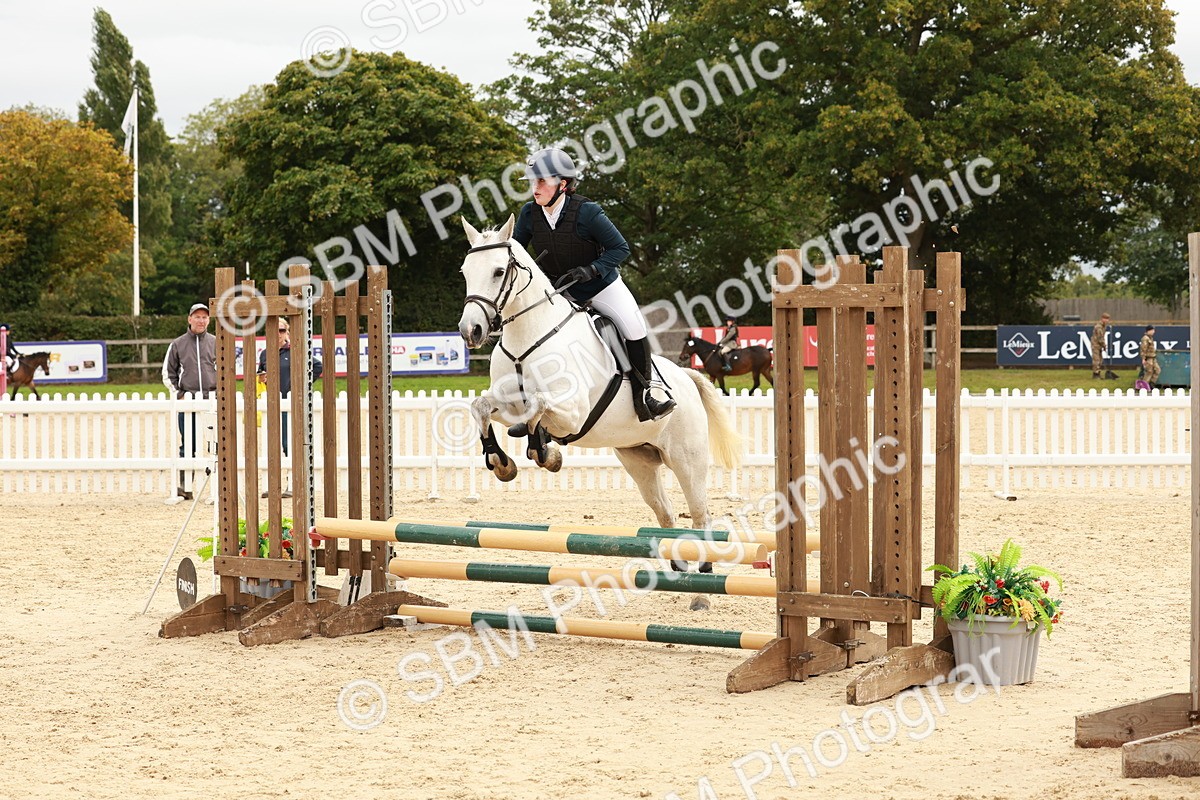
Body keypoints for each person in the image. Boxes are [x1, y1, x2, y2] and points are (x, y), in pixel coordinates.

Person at [512, 147, 675, 422]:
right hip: (559, 292)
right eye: (532, 181)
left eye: (541, 181)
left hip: (601, 288)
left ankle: (646, 393)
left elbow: (620, 248)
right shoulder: (529, 214)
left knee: (634, 326)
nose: (534, 187)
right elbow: (516, 252)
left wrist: (592, 269)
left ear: (562, 184)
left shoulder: (587, 212)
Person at [256, 317, 322, 498]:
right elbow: (261, 373)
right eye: (274, 330)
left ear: (287, 332)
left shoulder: (296, 350)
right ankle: (274, 484)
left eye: (281, 330)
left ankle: (292, 484)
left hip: (290, 404)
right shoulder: (264, 354)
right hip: (271, 404)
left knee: (288, 443)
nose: (278, 334)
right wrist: (262, 378)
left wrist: (301, 385)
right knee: (273, 445)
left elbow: (317, 366)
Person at [162, 303, 217, 500]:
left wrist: (219, 394)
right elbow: (168, 374)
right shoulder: (177, 344)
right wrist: (179, 394)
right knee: (189, 444)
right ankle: (185, 486)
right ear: (189, 319)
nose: (201, 320)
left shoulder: (216, 342)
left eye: (205, 317)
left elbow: (223, 370)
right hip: (189, 401)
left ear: (209, 320)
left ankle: (217, 488)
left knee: (215, 444)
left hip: (211, 401)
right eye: (197, 317)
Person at [1140, 324, 1160, 389]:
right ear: (1148, 331)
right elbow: (1143, 349)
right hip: (1148, 358)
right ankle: (1144, 386)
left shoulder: (1150, 338)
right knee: (1149, 372)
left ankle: (1152, 383)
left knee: (1157, 370)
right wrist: (1143, 359)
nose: (1153, 331)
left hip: (1153, 357)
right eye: (1152, 330)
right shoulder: (1145, 338)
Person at [1091, 313, 1110, 378]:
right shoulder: (1099, 327)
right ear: (1102, 319)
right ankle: (1095, 374)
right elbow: (1100, 337)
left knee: (1100, 360)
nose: (1107, 320)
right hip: (1096, 345)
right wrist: (1104, 345)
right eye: (1106, 319)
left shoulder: (1103, 326)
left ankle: (1098, 372)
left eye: (1108, 319)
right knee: (1096, 360)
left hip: (1099, 345)